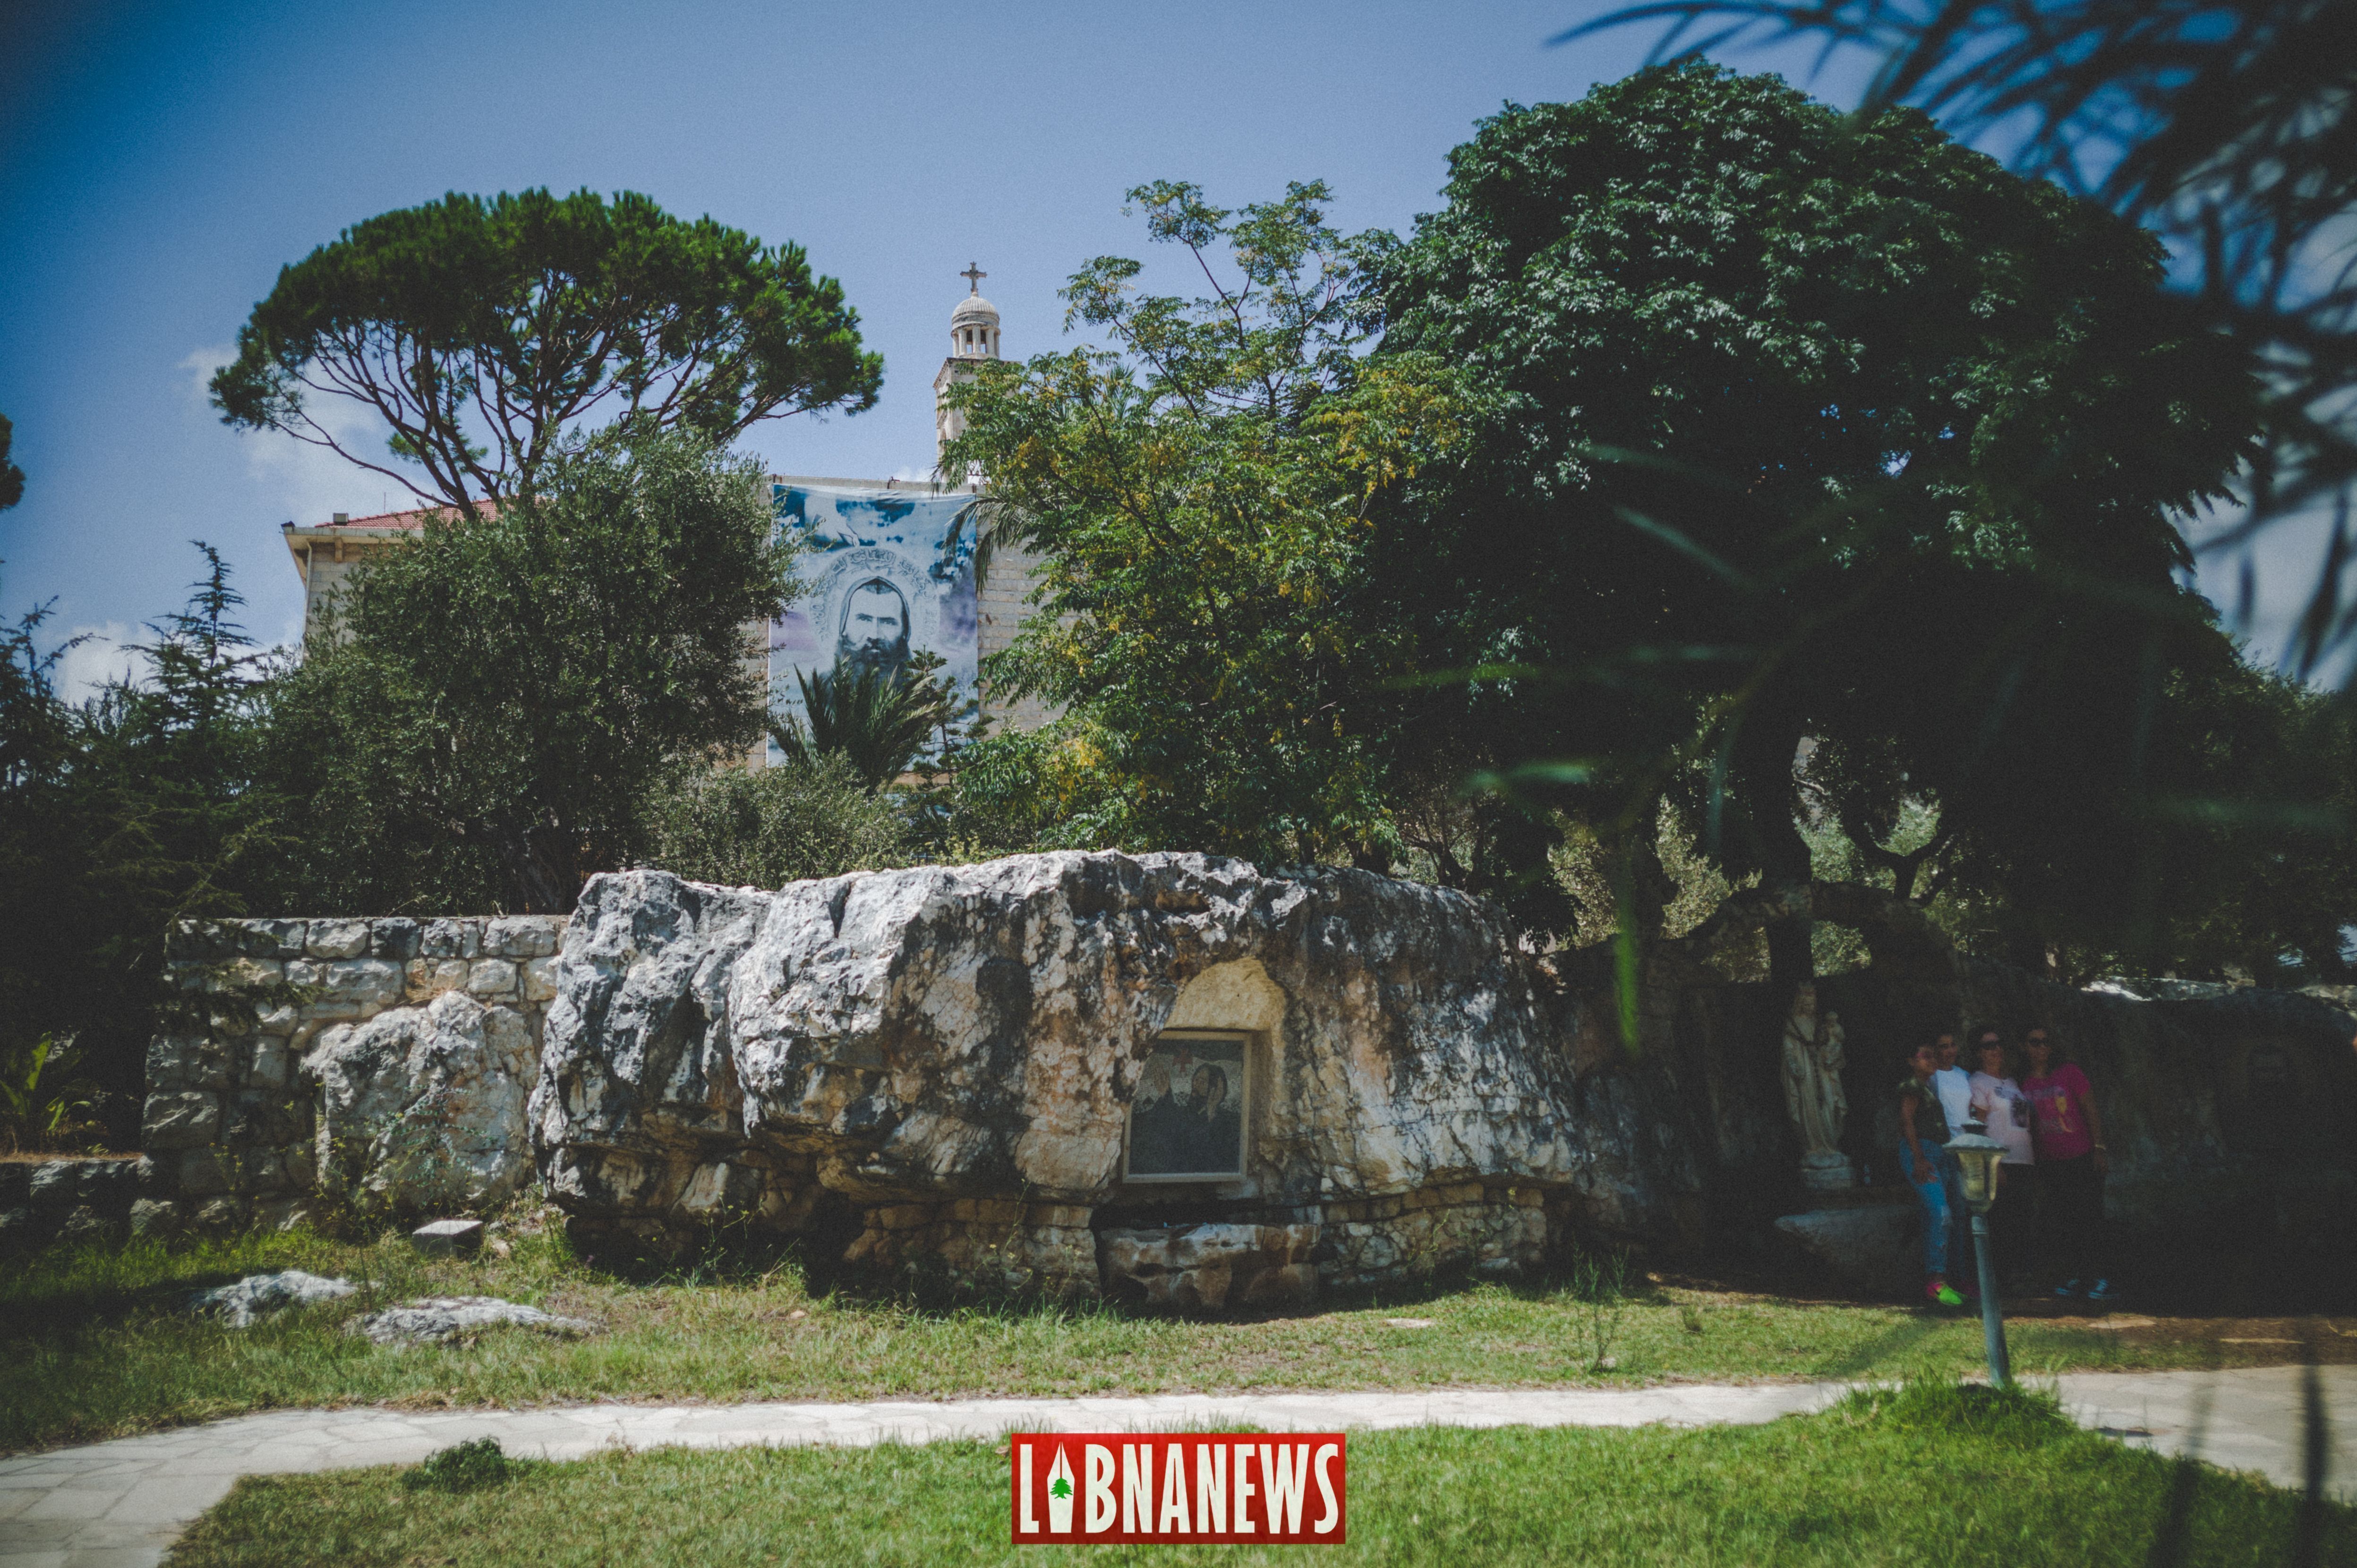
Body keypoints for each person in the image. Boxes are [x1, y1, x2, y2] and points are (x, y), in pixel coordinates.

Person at [2022, 1026, 2115, 1302]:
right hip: (2050, 1163)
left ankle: (2100, 1278)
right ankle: (2079, 1277)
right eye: (2034, 1042)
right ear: (2025, 1046)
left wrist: (2099, 1148)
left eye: (2045, 1042)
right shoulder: (2024, 1082)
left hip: (2082, 1156)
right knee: (2065, 1222)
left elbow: (2090, 1108)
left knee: (2090, 1218)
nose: (2040, 1047)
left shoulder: (2069, 1072)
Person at [1897, 1041, 1964, 1307]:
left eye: (1933, 1057)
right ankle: (1936, 1283)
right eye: (1925, 1056)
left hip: (1943, 1155)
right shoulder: (1912, 1087)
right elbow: (1906, 1120)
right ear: (1912, 1061)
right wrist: (1918, 1158)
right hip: (1923, 1154)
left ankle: (1955, 1280)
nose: (1932, 1061)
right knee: (1941, 1211)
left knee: (1955, 1214)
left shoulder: (1930, 1090)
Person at [1968, 1033, 2034, 1279]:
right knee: (2004, 1224)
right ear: (1979, 1053)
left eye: (1999, 1044)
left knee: (2023, 1223)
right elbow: (1978, 1124)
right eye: (1989, 1046)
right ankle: (2003, 1282)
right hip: (2001, 1162)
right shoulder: (1978, 1082)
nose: (1996, 1049)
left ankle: (2022, 1279)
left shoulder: (2012, 1083)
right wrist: (1993, 1164)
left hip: (2024, 1160)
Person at [1929, 1030, 1975, 1287]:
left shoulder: (1964, 1076)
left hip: (1965, 1149)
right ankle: (1941, 1278)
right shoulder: (1932, 1077)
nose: (1948, 1050)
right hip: (1943, 1148)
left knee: (1963, 1215)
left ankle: (1962, 1276)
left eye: (1952, 1045)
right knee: (1944, 1214)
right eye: (1942, 1046)